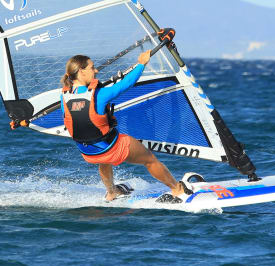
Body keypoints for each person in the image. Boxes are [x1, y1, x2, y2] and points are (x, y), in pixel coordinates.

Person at [61, 50, 191, 201]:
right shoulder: (99, 95)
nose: (95, 71)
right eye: (92, 67)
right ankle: (177, 189)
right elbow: (126, 84)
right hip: (113, 148)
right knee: (149, 159)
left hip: (88, 152)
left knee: (104, 159)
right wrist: (142, 63)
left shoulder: (64, 96)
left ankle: (111, 192)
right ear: (81, 71)